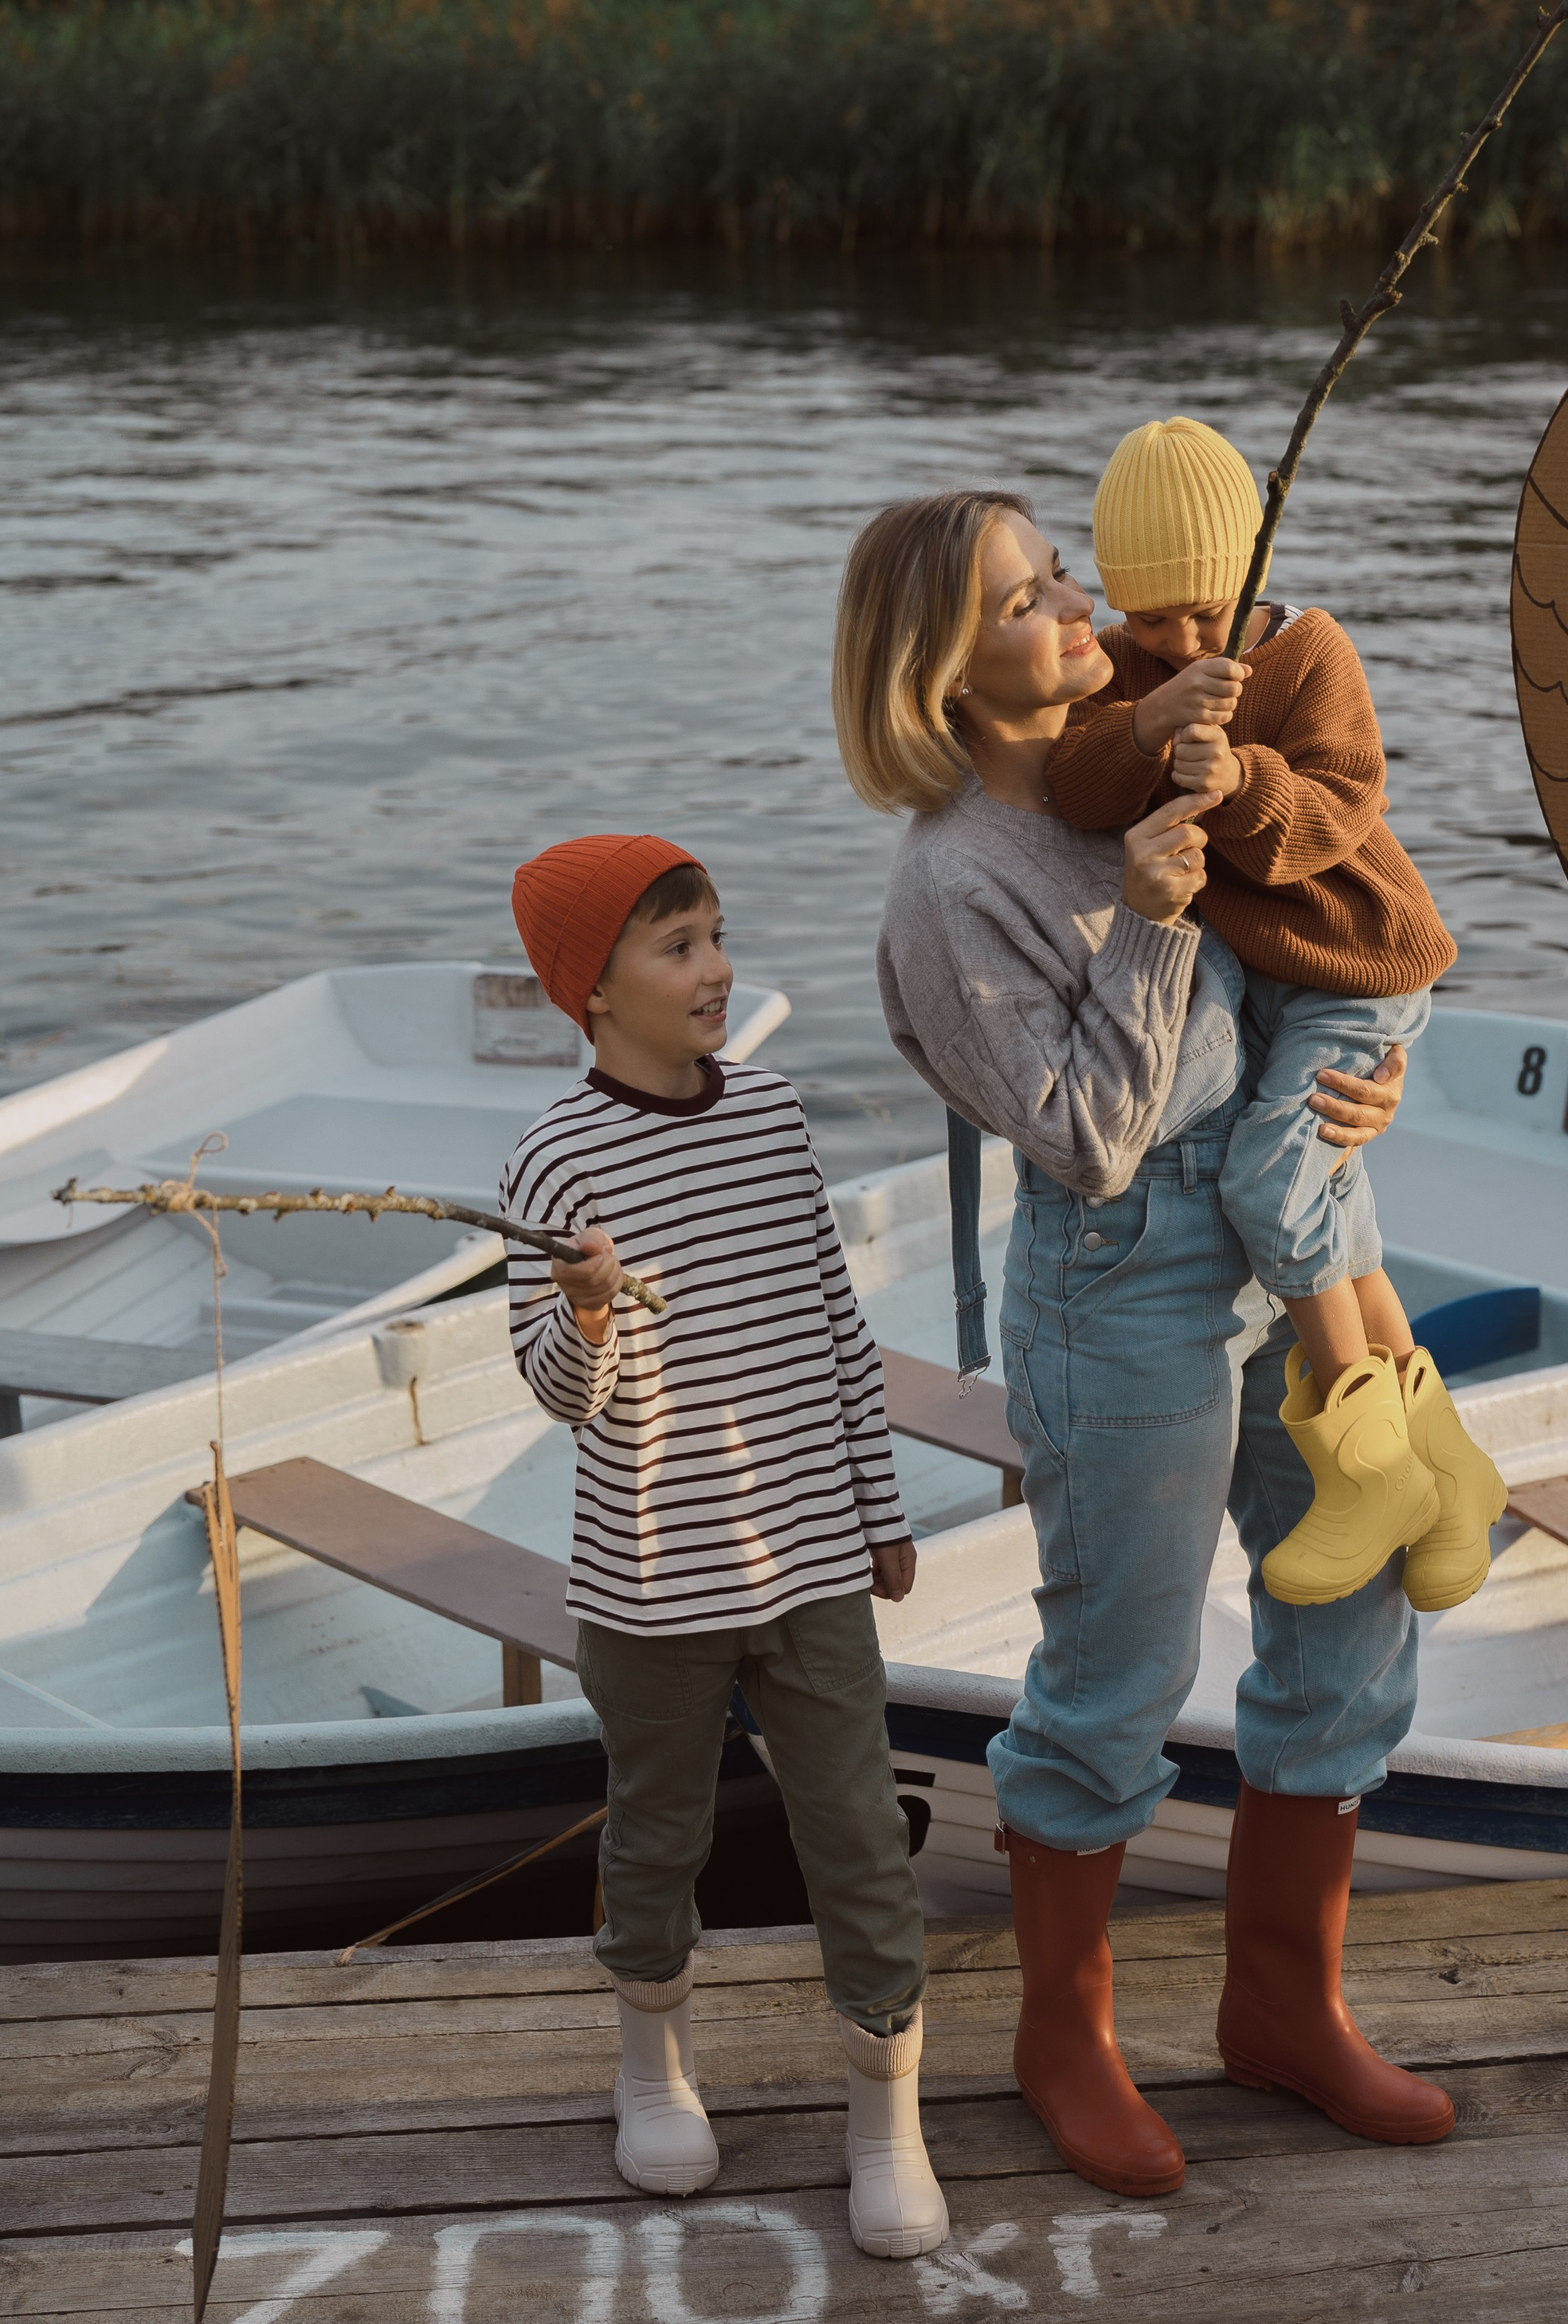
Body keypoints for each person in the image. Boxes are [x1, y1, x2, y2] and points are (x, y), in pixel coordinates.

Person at [833, 488, 1456, 2205]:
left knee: (1353, 1599)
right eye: (1024, 602)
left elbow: (1315, 929)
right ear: (942, 679)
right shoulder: (950, 889)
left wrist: (1364, 1072)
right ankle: (1063, 2046)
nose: (1073, 606)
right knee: (1114, 1676)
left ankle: (1282, 2011)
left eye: (1057, 576)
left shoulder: (1143, 743)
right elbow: (1087, 1139)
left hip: (1285, 1216)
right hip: (1120, 1273)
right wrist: (1153, 909)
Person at [500, 830, 948, 2263]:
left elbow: (835, 1330)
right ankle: (654, 2074)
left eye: (716, 935)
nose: (718, 970)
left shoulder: (772, 1115)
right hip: (647, 1580)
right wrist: (588, 1310)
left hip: (812, 1562)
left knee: (863, 1843)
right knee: (657, 1840)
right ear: (593, 990)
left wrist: (880, 1512)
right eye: (678, 947)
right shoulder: (553, 1159)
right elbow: (568, 1400)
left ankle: (888, 2132)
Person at [1042, 415, 1507, 1614]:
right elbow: (1075, 785)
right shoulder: (1129, 667)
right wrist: (1149, 720)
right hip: (1277, 985)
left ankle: (1368, 1471)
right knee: (1329, 1190)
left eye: (1206, 610)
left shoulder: (1306, 655)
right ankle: (1441, 1461)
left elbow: (1336, 819)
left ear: (1252, 571)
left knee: (1273, 1186)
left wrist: (1239, 776)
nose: (1182, 639)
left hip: (1357, 963)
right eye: (1150, 618)